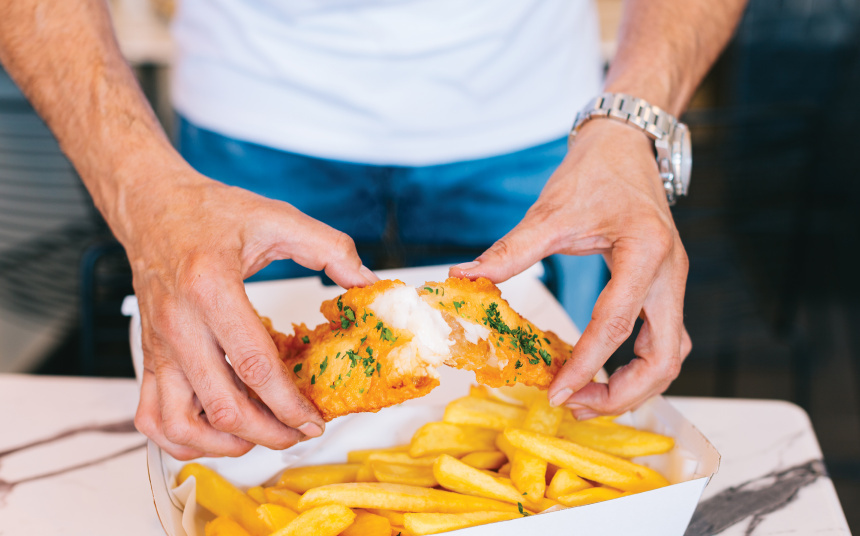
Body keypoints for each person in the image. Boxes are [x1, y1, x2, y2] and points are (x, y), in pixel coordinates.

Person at [0, 0, 746, 460]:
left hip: (545, 120)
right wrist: (141, 194)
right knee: (237, 421)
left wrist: (634, 123)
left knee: (562, 417)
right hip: (247, 115)